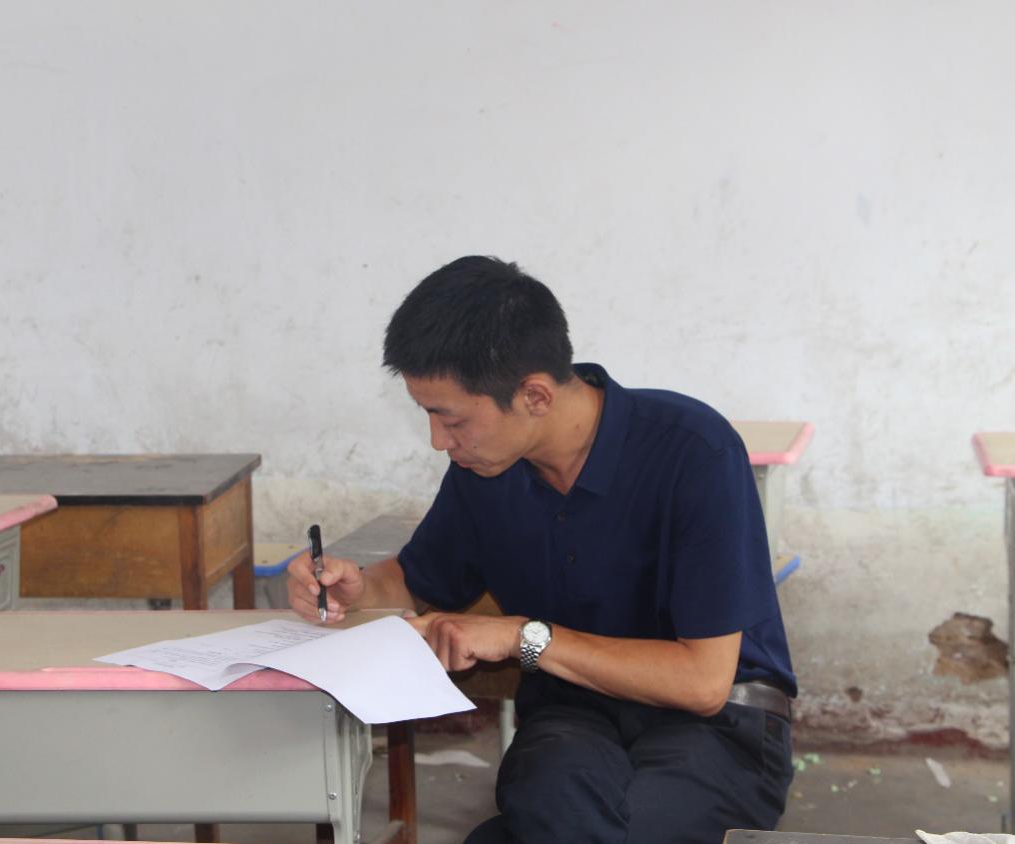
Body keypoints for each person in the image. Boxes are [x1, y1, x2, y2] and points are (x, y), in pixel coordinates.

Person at [288, 255, 796, 844]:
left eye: (450, 419)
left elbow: (702, 684)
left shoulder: (693, 452)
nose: (438, 441)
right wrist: (356, 587)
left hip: (720, 725)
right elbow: (417, 578)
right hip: (572, 718)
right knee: (549, 800)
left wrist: (521, 636)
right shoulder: (484, 471)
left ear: (534, 395)